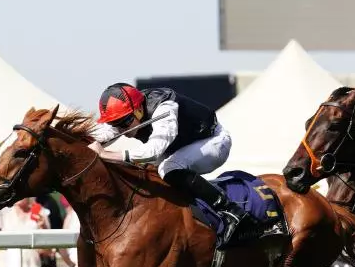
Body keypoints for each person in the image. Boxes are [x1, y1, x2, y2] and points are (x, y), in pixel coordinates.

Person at [87, 83, 244, 248]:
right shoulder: (129, 112)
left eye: (124, 122)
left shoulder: (164, 108)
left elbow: (154, 151)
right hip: (180, 148)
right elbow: (102, 134)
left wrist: (106, 155)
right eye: (115, 124)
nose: (120, 129)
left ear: (138, 110)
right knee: (149, 170)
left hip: (213, 142)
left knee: (167, 168)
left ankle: (232, 211)